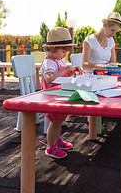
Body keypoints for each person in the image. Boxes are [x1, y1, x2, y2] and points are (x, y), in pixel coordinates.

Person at [41, 27, 84, 159]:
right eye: (63, 51)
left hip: (60, 94)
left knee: (59, 120)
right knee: (54, 122)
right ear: (52, 49)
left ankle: (56, 140)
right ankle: (50, 146)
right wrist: (65, 70)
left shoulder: (59, 59)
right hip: (51, 97)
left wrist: (71, 70)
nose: (65, 54)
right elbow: (50, 78)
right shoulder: (49, 62)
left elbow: (62, 76)